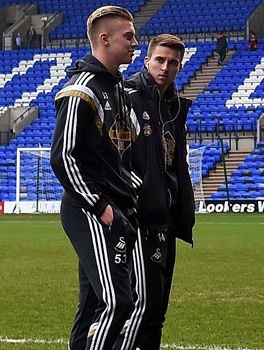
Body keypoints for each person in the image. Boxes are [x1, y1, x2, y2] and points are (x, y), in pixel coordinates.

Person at [50, 6, 140, 350]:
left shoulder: (118, 90)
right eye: (128, 36)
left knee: (91, 306)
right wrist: (100, 206)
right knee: (119, 302)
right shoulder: (81, 89)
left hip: (117, 209)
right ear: (104, 39)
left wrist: (133, 194)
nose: (135, 43)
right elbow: (63, 156)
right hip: (91, 210)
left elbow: (120, 158)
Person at [118, 33, 195, 350]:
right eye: (159, 60)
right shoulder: (128, 97)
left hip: (166, 217)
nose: (165, 67)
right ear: (146, 59)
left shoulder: (174, 107)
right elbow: (115, 156)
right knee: (143, 306)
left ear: (179, 67)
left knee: (158, 311)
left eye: (173, 62)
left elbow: (175, 162)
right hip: (139, 218)